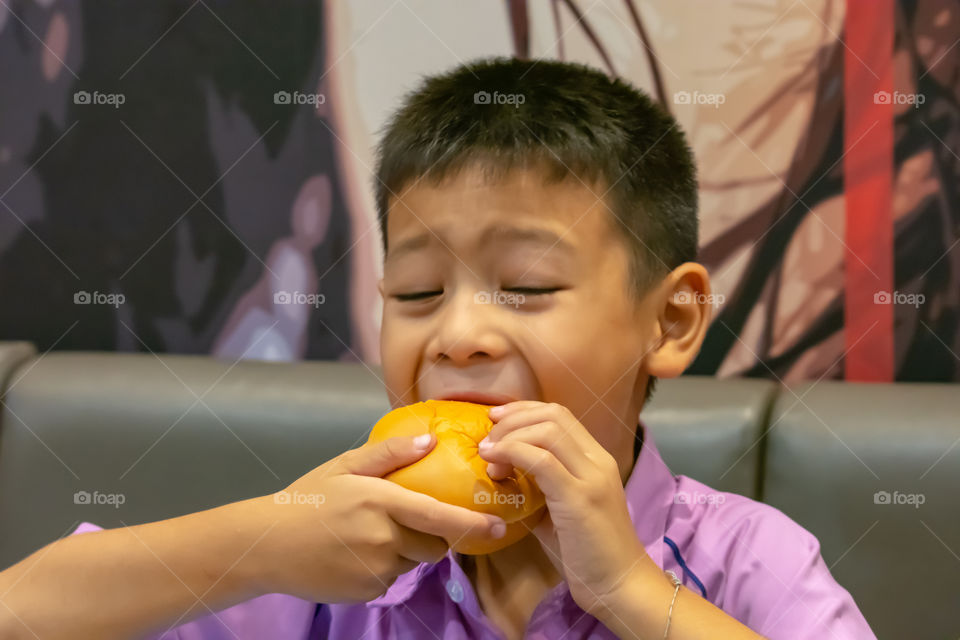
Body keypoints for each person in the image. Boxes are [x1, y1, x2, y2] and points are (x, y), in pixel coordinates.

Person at [0, 57, 875, 639]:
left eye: (526, 286)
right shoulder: (334, 566)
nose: (457, 336)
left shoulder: (743, 560)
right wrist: (264, 540)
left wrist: (634, 595)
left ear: (671, 321)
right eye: (416, 294)